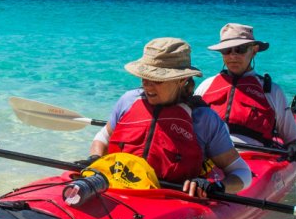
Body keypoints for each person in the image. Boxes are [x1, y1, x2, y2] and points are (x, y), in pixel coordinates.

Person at [85, 38, 252, 198]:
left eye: (157, 80)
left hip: (167, 201)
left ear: (181, 80)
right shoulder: (128, 101)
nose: (147, 84)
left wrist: (217, 187)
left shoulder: (204, 120)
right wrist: (95, 159)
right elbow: (103, 137)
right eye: (144, 77)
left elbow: (242, 173)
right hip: (114, 188)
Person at [194, 23, 296, 161]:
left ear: (254, 50)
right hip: (209, 158)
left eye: (240, 49)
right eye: (227, 50)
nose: (233, 56)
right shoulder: (206, 86)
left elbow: (293, 140)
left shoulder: (272, 92)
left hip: (253, 160)